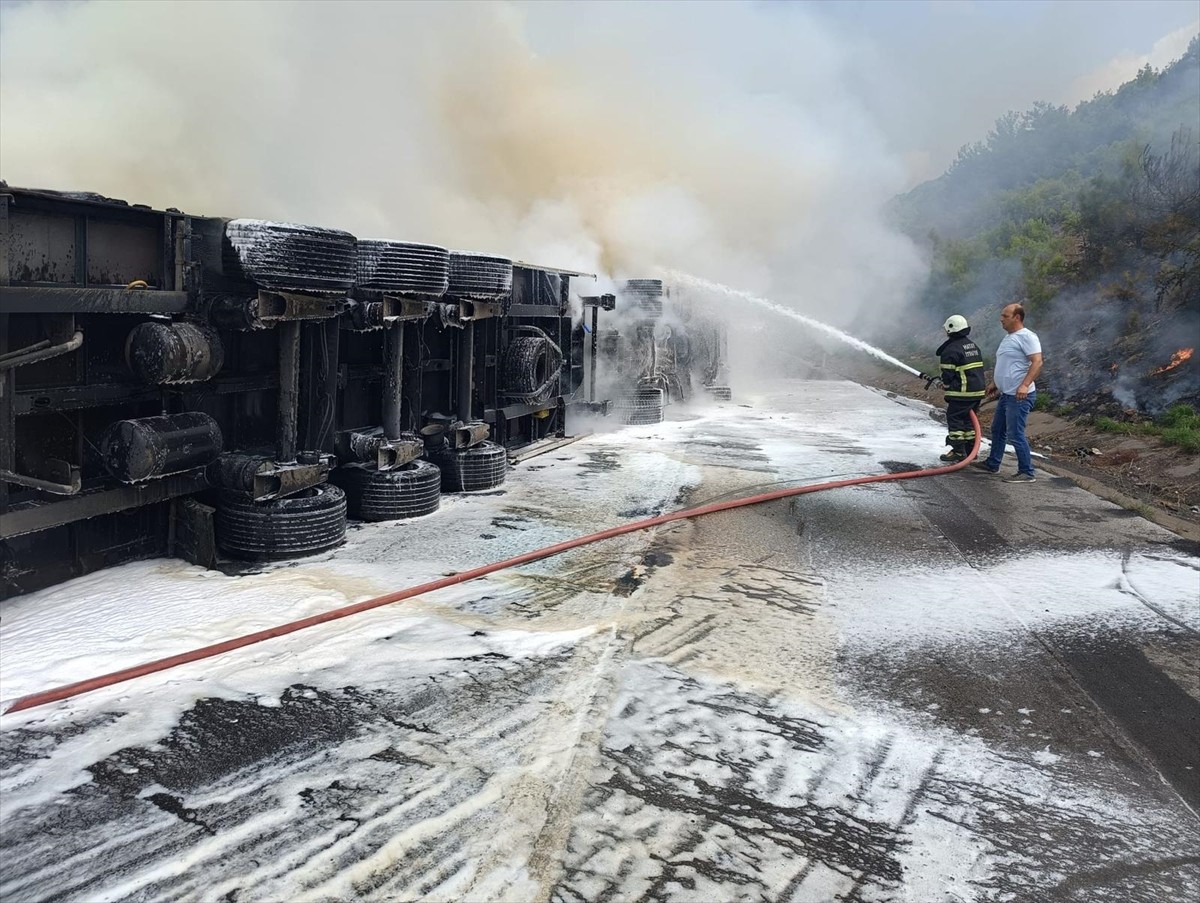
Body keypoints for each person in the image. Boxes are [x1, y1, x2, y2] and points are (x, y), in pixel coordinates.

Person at [973, 302, 1043, 482]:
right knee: (997, 429)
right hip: (1006, 394)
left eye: (1005, 316)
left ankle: (1027, 472)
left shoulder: (1027, 337)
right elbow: (1008, 364)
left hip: (1019, 396)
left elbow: (1037, 362)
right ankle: (992, 463)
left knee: (1015, 434)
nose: (1001, 319)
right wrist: (995, 383)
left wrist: (1025, 385)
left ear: (1017, 318)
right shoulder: (1009, 337)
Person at [936, 314, 986, 462]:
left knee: (955, 419)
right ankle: (971, 451)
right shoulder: (972, 345)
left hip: (962, 392)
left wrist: (944, 384)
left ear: (950, 330)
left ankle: (958, 450)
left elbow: (948, 375)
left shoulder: (950, 350)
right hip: (977, 392)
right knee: (969, 422)